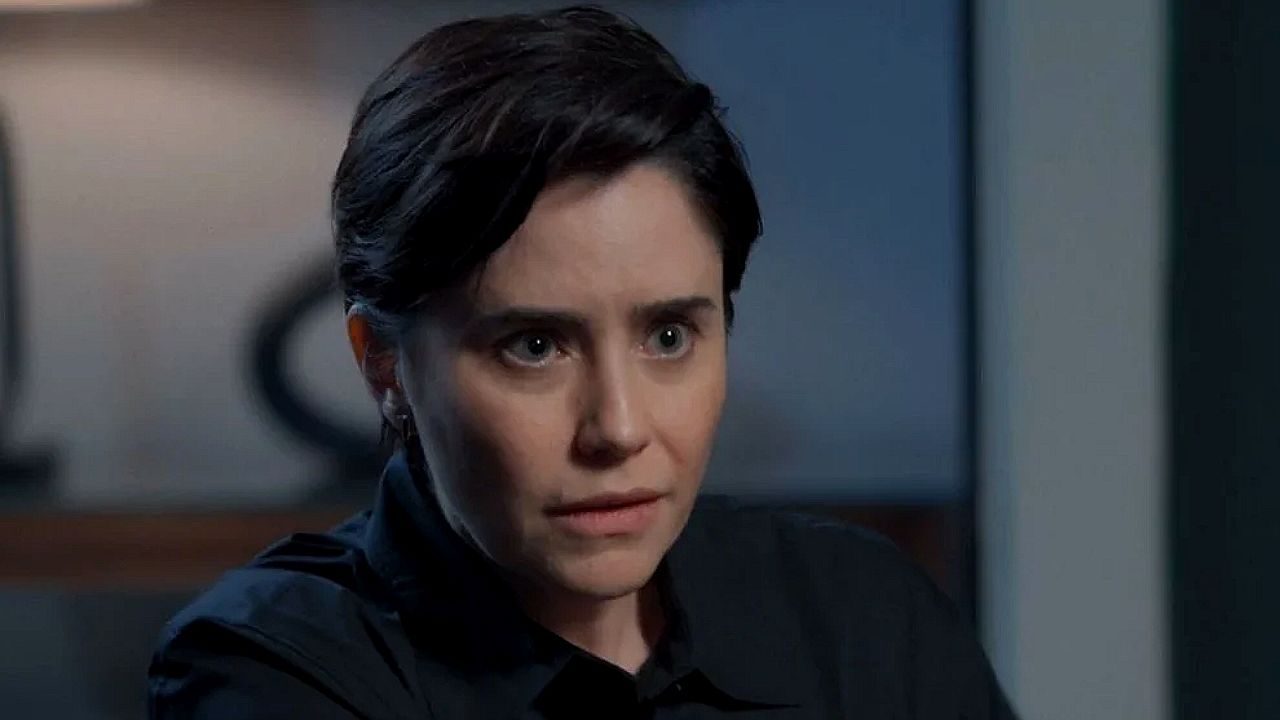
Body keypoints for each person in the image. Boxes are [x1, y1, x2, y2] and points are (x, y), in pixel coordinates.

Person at [148, 6, 1015, 718]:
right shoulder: (270, 671)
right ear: (384, 364)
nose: (619, 429)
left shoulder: (862, 618)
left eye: (668, 337)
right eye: (534, 347)